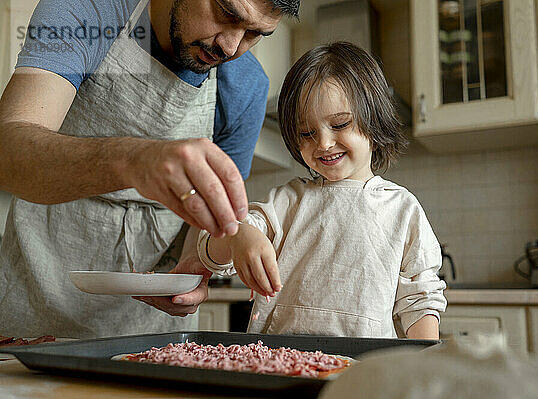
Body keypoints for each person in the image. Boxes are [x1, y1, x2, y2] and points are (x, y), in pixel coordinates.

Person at [0, 0, 299, 339]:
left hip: (156, 329)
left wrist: (195, 261)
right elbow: (8, 151)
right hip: (35, 305)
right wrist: (134, 160)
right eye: (226, 13)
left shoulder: (246, 84)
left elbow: (210, 215)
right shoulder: (90, 11)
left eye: (255, 34)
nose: (231, 47)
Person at [197, 42, 447, 339]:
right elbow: (210, 251)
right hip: (278, 367)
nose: (324, 143)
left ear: (375, 119)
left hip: (362, 373)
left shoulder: (402, 209)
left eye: (340, 124)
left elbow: (420, 300)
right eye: (307, 132)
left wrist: (423, 363)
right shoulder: (286, 202)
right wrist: (239, 235)